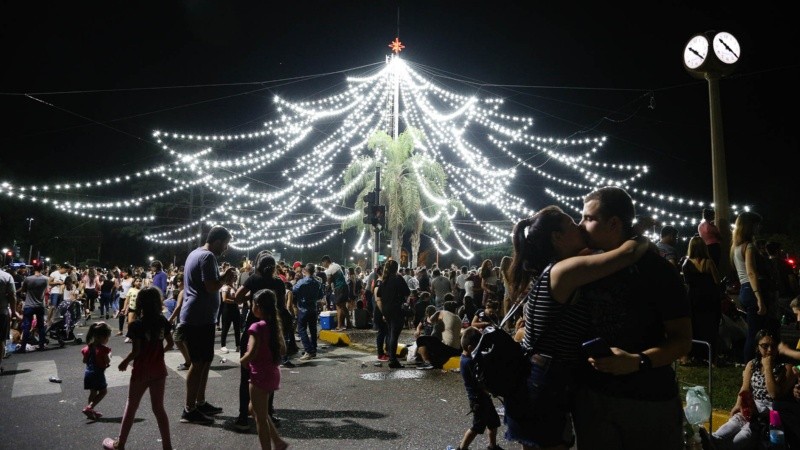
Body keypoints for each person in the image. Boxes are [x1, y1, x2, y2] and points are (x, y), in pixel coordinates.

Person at [503, 203, 652, 450]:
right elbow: (628, 254)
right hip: (547, 384)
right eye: (572, 224)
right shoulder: (564, 271)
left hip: (538, 378)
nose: (580, 226)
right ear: (557, 237)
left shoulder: (556, 268)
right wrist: (637, 236)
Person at [570, 187, 692, 450]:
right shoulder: (582, 267)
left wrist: (638, 361)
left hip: (647, 400)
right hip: (592, 398)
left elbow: (682, 340)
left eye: (588, 218)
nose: (580, 225)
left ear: (613, 223)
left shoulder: (657, 270)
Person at [102, 287, 174, 450]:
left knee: (132, 405)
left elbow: (136, 351)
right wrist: (159, 352)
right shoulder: (162, 321)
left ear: (140, 303)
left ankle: (120, 444)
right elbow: (170, 343)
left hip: (141, 370)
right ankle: (167, 446)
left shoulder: (136, 325)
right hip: (158, 369)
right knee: (159, 408)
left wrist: (125, 362)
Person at [179, 226, 238, 424]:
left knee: (205, 361)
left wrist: (221, 277)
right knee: (197, 363)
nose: (226, 249)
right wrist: (225, 278)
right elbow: (211, 286)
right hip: (198, 317)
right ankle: (189, 409)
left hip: (201, 316)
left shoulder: (195, 254)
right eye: (226, 244)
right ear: (218, 241)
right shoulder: (208, 256)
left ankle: (200, 402)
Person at [711, 329, 797, 449]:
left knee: (740, 439)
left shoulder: (786, 368)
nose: (770, 350)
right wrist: (738, 404)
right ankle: (710, 440)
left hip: (769, 416)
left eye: (773, 346)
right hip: (752, 408)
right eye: (765, 346)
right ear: (757, 347)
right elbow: (745, 388)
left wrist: (767, 367)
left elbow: (774, 394)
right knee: (727, 428)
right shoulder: (752, 364)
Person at [234, 251, 290, 431]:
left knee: (246, 376)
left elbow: (237, 297)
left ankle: (243, 417)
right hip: (272, 329)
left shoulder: (253, 279)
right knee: (269, 371)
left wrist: (251, 298)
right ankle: (268, 413)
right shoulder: (278, 282)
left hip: (253, 329)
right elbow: (281, 305)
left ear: (258, 265)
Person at [238, 289, 290, 450]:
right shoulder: (274, 325)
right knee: (254, 409)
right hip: (272, 373)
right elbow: (283, 350)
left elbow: (252, 352)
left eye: (252, 304)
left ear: (258, 307)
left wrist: (243, 360)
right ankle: (278, 441)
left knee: (260, 419)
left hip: (259, 375)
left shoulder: (256, 327)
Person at [452, 326, 503, 450]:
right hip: (478, 399)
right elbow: (480, 381)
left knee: (493, 422)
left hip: (483, 397)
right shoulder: (469, 362)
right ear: (470, 348)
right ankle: (462, 448)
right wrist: (492, 390)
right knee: (477, 426)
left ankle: (492, 446)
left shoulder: (468, 358)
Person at [731, 211, 772, 363]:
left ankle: (754, 362)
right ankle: (750, 364)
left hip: (745, 289)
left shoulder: (735, 247)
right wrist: (759, 297)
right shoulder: (748, 246)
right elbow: (751, 272)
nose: (759, 228)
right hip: (753, 289)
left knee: (754, 330)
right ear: (750, 226)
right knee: (755, 332)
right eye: (757, 225)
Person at [682, 236, 722, 365]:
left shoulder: (686, 263)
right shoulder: (708, 263)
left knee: (694, 326)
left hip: (693, 298)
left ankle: (694, 354)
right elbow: (717, 281)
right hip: (709, 298)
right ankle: (711, 357)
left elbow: (686, 281)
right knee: (710, 327)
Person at [374, 259, 411, 369]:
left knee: (391, 333)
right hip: (396, 309)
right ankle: (393, 360)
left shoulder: (384, 280)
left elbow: (379, 294)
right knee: (394, 335)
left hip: (386, 310)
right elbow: (407, 292)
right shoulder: (398, 278)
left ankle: (391, 356)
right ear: (396, 268)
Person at [415, 301, 462, 370]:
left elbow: (431, 320)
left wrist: (438, 312)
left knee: (420, 339)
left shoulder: (443, 313)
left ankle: (427, 362)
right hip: (457, 350)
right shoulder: (458, 318)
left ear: (444, 308)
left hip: (447, 349)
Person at [292, 263, 323, 360]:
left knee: (301, 329)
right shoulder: (317, 282)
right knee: (313, 330)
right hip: (313, 308)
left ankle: (308, 350)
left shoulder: (301, 282)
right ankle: (313, 349)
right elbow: (320, 295)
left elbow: (294, 291)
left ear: (305, 270)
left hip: (303, 308)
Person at [82, 321, 112, 420]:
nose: (107, 340)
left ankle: (90, 411)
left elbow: (84, 361)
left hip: (88, 373)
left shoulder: (87, 348)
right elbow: (107, 361)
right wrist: (109, 355)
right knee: (103, 392)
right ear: (102, 337)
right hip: (98, 374)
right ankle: (89, 407)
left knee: (93, 392)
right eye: (107, 337)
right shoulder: (103, 349)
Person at [18, 264, 49, 352]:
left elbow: (23, 290)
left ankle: (23, 347)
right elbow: (46, 290)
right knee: (41, 326)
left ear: (34, 268)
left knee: (26, 326)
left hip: (29, 305)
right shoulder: (46, 279)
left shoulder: (28, 279)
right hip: (40, 305)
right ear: (42, 268)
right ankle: (41, 345)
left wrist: (15, 291)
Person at [321, 255, 349, 331]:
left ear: (326, 261)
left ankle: (339, 326)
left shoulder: (329, 270)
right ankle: (348, 324)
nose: (323, 265)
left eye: (323, 263)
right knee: (343, 306)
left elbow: (329, 282)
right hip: (345, 286)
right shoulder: (337, 265)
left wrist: (326, 288)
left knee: (338, 306)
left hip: (339, 288)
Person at [219, 275, 241, 354]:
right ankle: (223, 345)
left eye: (235, 276)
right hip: (227, 309)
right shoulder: (225, 287)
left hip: (235, 309)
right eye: (233, 277)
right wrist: (235, 301)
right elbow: (224, 299)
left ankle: (238, 345)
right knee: (225, 328)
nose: (235, 278)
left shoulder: (234, 287)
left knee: (237, 327)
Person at [0, 267, 15, 372]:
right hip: (1, 312)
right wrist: (14, 312)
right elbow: (12, 295)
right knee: (1, 340)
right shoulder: (6, 276)